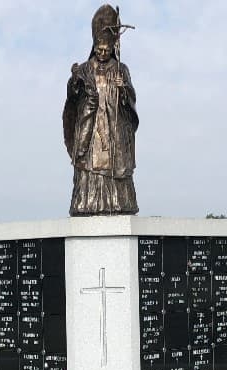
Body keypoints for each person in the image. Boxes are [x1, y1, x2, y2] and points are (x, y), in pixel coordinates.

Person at [62, 5, 139, 216]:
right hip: (92, 127)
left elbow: (131, 99)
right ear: (94, 46)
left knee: (115, 165)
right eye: (99, 49)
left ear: (113, 47)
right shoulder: (86, 68)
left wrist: (123, 88)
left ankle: (118, 202)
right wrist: (75, 83)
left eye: (106, 49)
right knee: (89, 164)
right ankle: (87, 203)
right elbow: (73, 97)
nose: (102, 53)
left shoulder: (121, 68)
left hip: (114, 131)